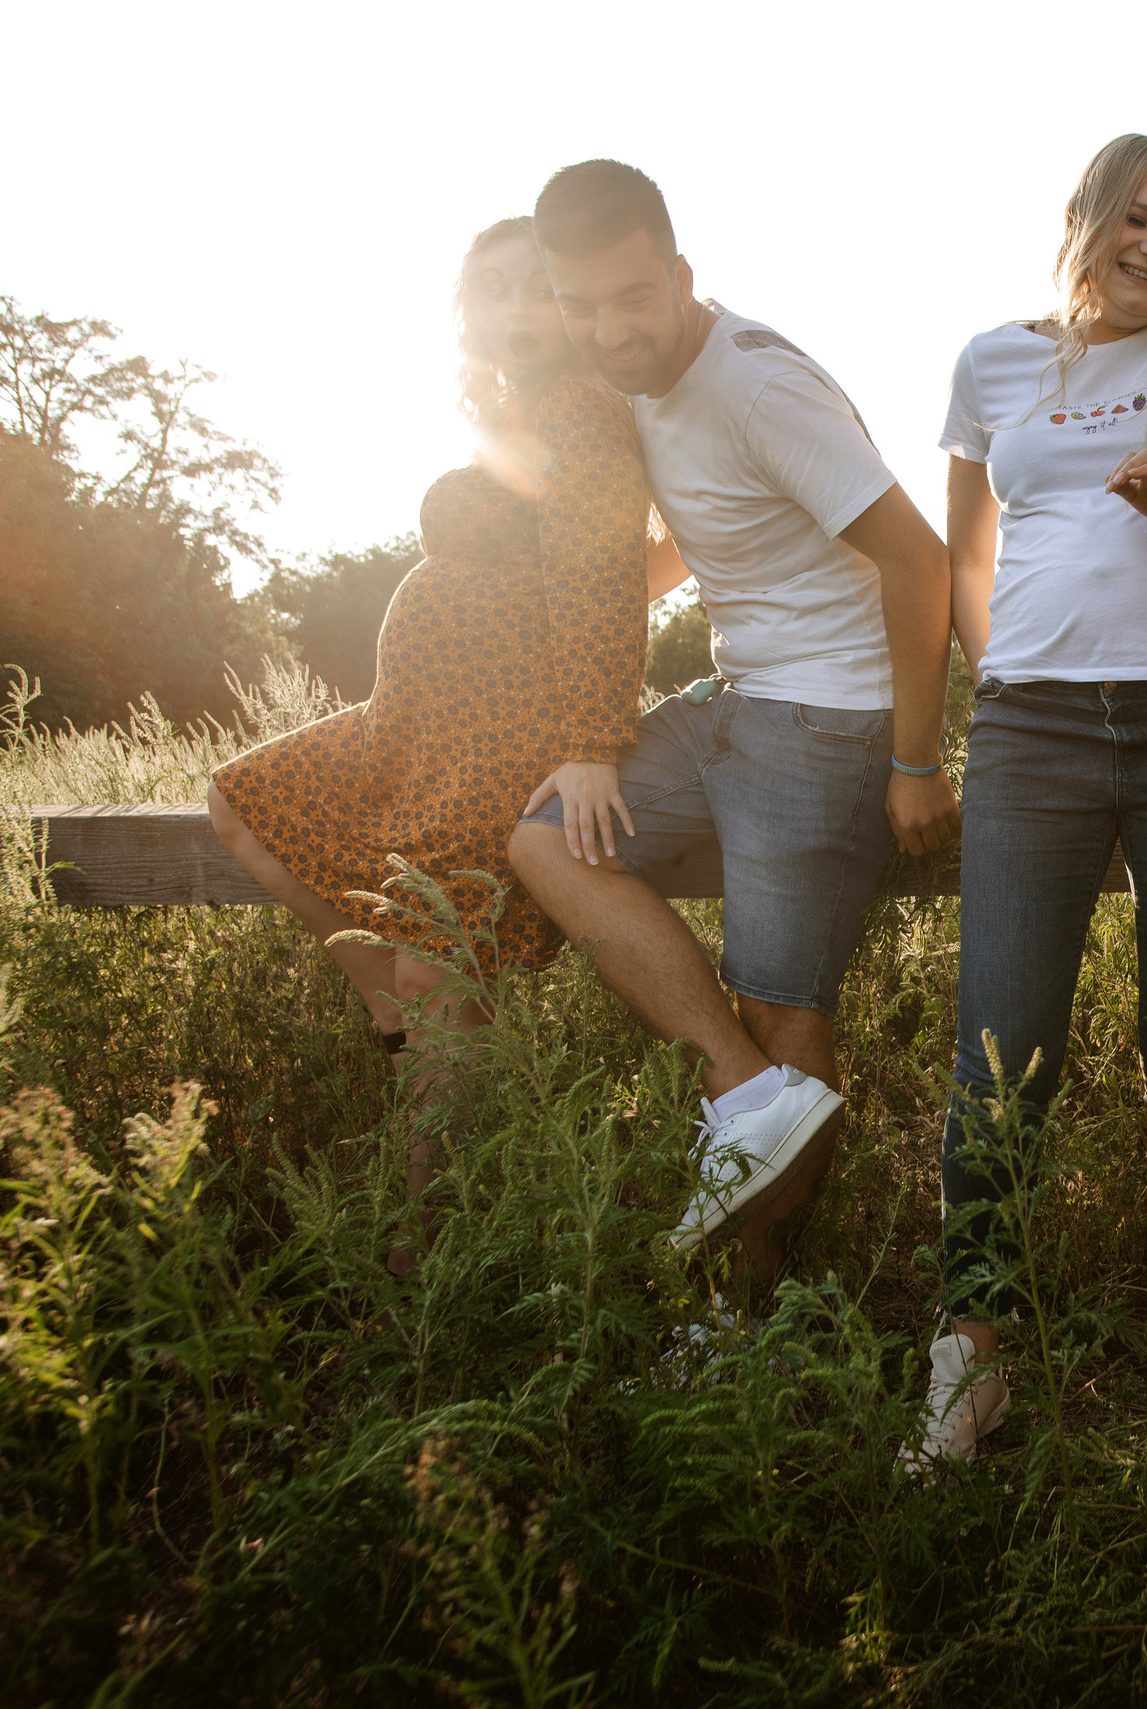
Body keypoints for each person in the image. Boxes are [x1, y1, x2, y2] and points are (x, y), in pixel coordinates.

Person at [906, 135, 1147, 1468]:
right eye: (1138, 219)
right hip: (1036, 733)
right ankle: (973, 1356)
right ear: (1088, 216)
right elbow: (964, 557)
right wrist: (1002, 682)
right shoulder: (991, 363)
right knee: (1000, 1057)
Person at [509, 161, 959, 1282]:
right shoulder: (630, 383)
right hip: (732, 699)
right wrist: (572, 604)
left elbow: (921, 561)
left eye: (632, 297)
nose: (609, 331)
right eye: (580, 306)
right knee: (545, 834)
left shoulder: (757, 387)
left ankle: (755, 1316)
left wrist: (914, 759)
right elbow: (709, 530)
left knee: (777, 1001)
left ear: (679, 275)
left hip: (829, 717)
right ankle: (747, 1091)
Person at [208, 215, 651, 1267]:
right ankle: (389, 1018)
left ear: (572, 302)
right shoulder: (516, 408)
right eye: (492, 288)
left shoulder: (582, 407)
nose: (515, 308)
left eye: (536, 286)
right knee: (242, 800)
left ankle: (429, 1255)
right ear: (468, 311)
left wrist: (591, 738)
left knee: (441, 978)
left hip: (505, 729)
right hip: (414, 723)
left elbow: (605, 573)